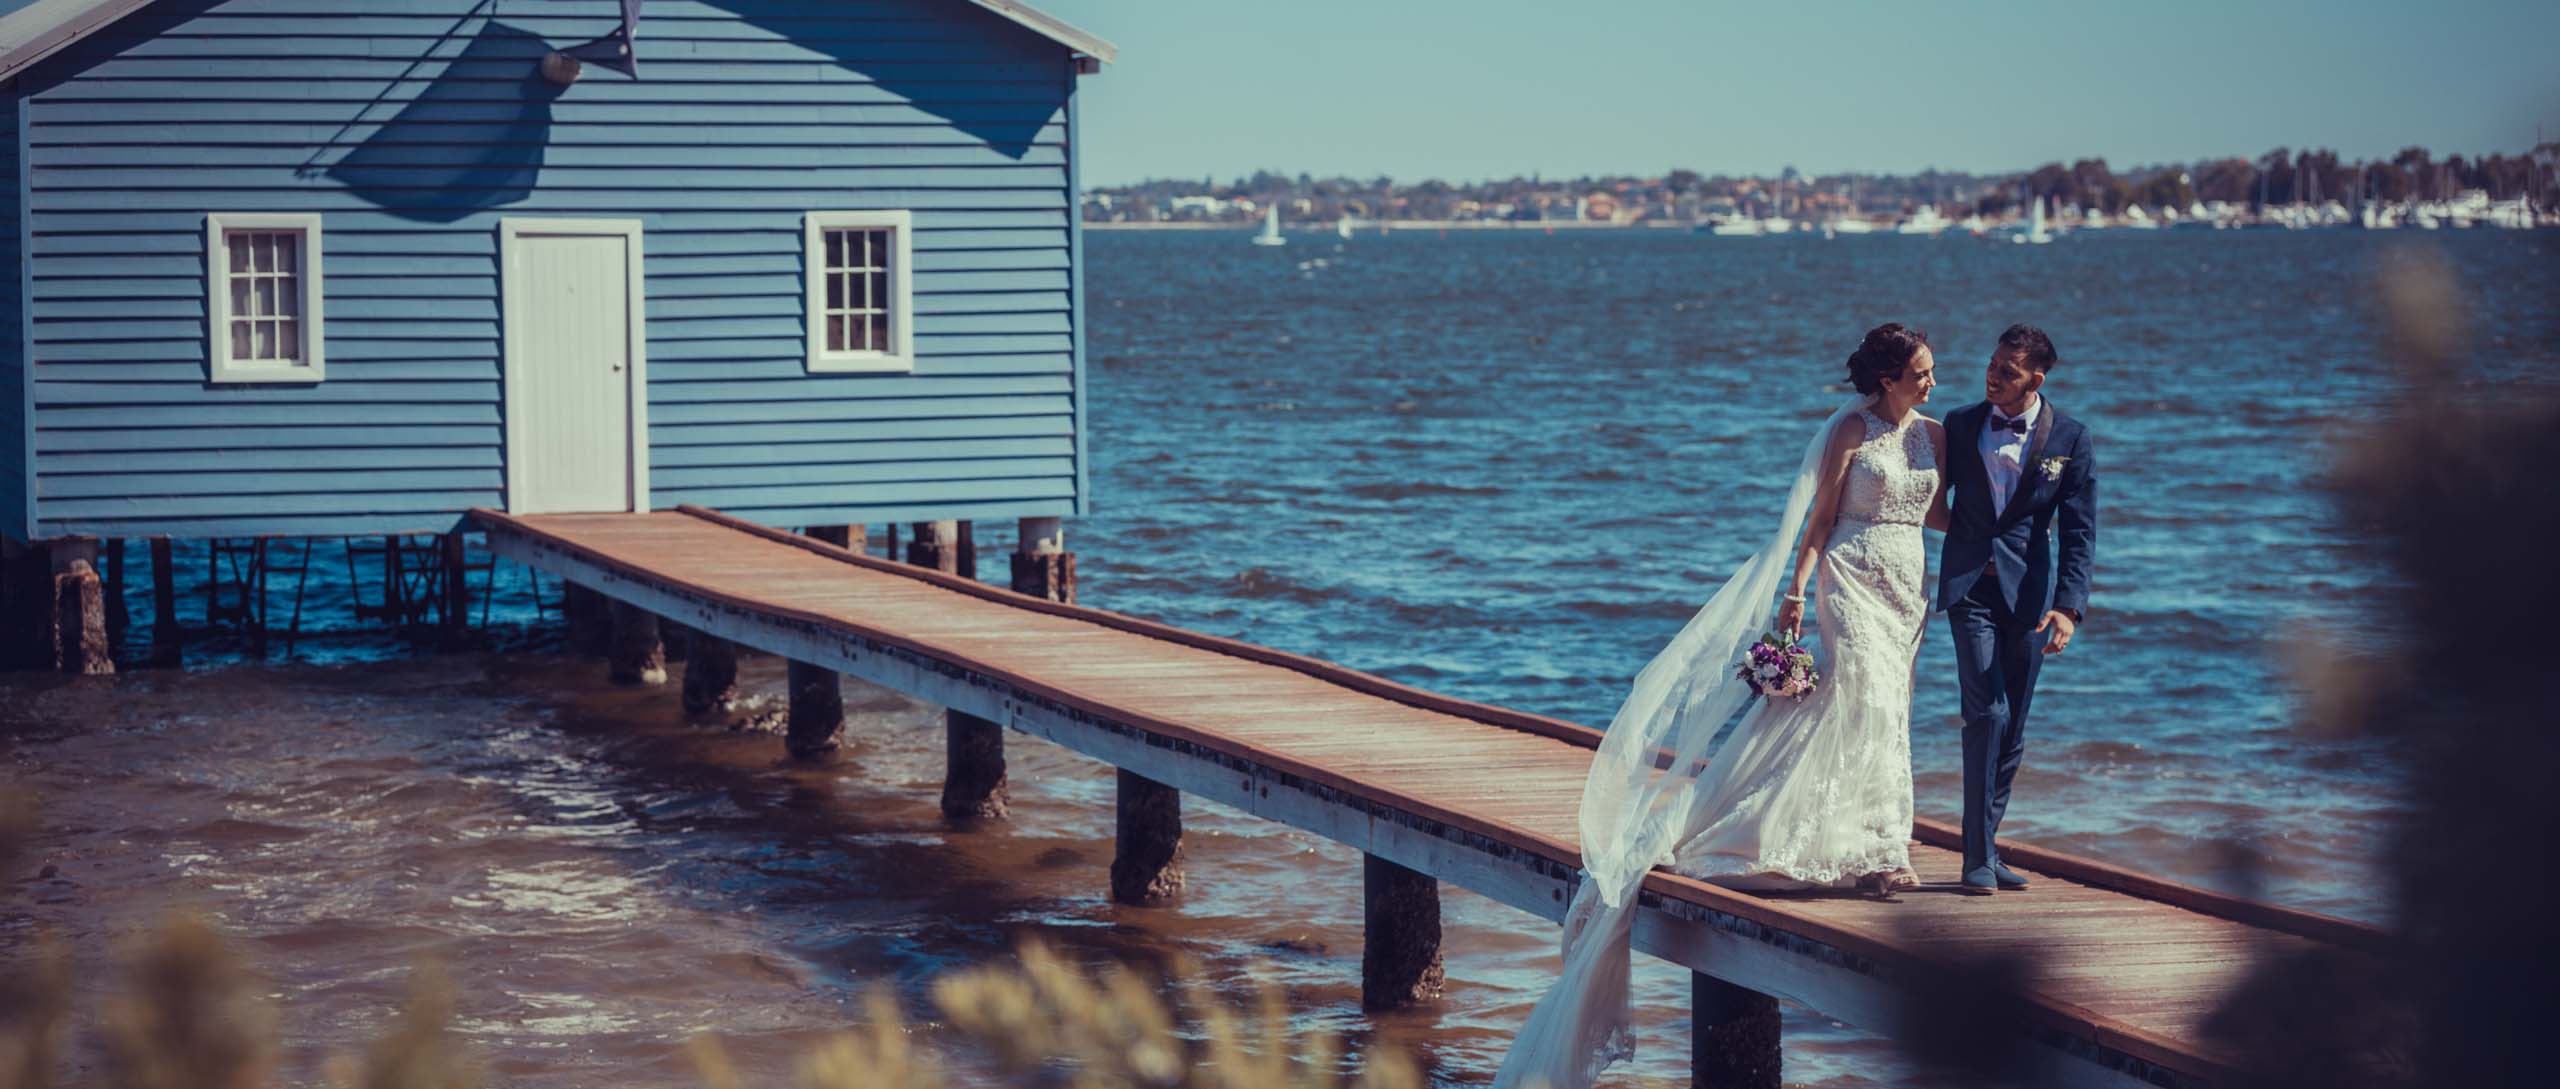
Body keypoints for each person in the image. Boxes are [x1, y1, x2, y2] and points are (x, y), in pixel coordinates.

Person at [1492, 323, 1947, 1089]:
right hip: (1850, 578)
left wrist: (2014, 525)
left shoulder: (1936, 436)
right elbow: (1821, 518)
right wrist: (1796, 591)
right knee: (1860, 693)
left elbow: (1939, 514)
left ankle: (1873, 841)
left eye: (1933, 370)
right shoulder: (1850, 430)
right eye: (1922, 372)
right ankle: (1873, 853)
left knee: (1885, 711)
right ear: (1887, 377)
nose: (1933, 381)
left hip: (1908, 588)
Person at [1935, 324, 2096, 894]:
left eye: (2008, 370)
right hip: (1969, 591)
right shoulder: (1959, 424)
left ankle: (1989, 845)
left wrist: (2068, 608)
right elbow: (1925, 493)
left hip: (2029, 597)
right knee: (1988, 714)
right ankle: (1975, 858)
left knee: (2015, 726)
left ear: (2036, 379)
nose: (1993, 376)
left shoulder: (2070, 438)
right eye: (1992, 364)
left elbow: (2079, 531)